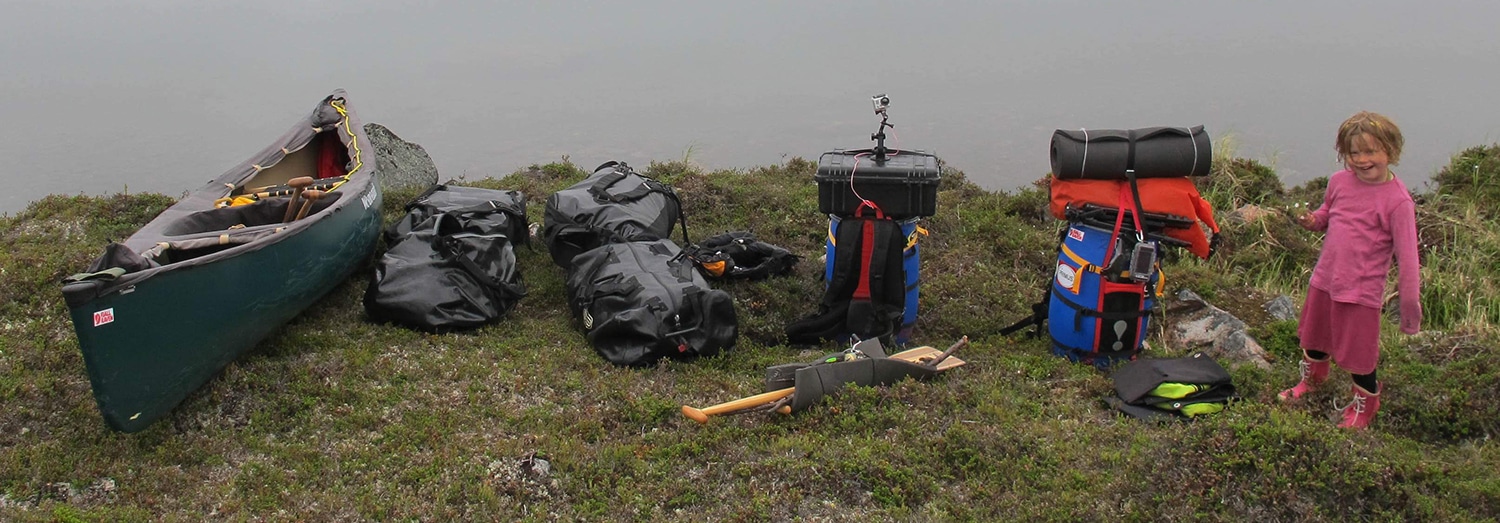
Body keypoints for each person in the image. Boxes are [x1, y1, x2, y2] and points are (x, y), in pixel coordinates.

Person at [1276, 111, 1422, 429]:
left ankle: (1365, 404)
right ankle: (1313, 381)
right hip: (1325, 279)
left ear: (1390, 151)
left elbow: (1409, 260)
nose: (1361, 160)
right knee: (1314, 338)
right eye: (1354, 152)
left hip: (1362, 292)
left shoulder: (1398, 203)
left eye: (1370, 151)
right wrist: (1312, 220)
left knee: (1359, 356)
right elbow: (1327, 214)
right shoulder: (1339, 182)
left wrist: (1410, 310)